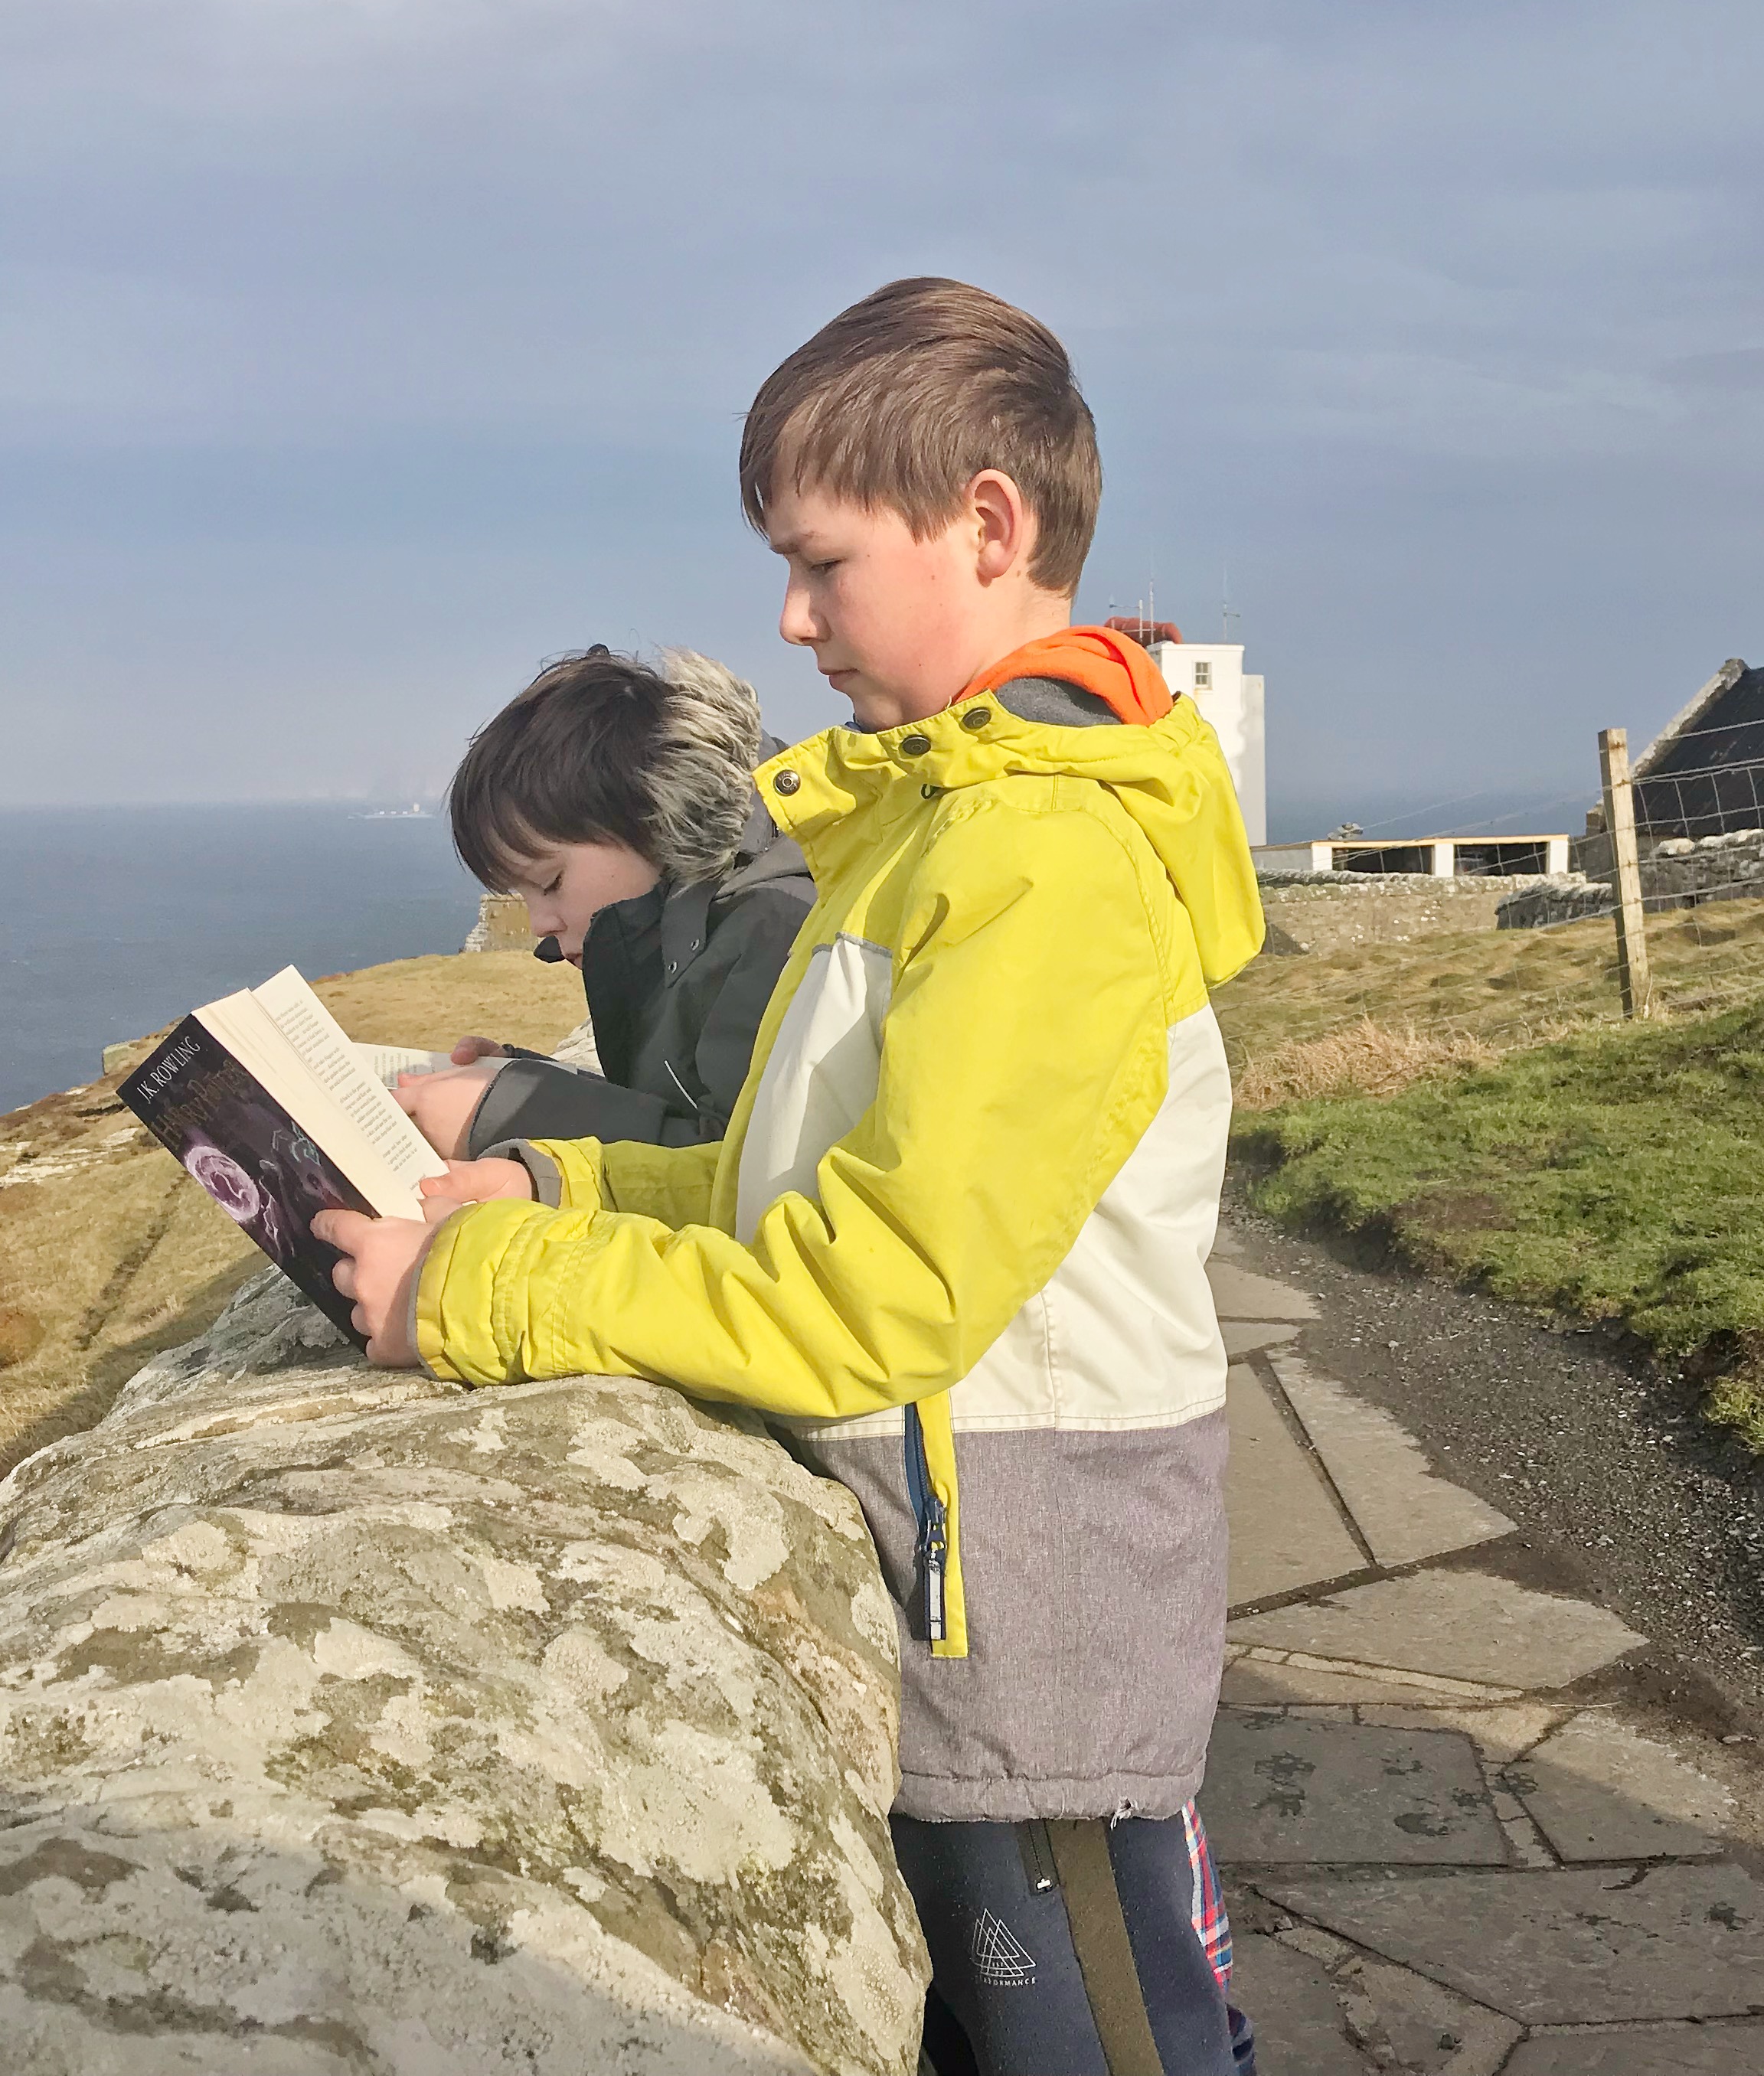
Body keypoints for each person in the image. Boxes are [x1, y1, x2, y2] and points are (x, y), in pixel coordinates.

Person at [318, 277, 1265, 2075]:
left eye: (822, 561)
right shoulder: (945, 824)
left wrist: (484, 1297)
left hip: (1032, 1605)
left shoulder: (1040, 859)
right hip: (971, 1565)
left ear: (987, 523)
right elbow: (796, 1184)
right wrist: (554, 1200)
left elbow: (869, 1295)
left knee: (1115, 2043)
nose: (789, 613)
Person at [393, 645, 815, 1163]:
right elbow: (673, 1106)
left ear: (654, 813)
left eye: (550, 883)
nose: (539, 924)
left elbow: (733, 1174)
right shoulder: (686, 921)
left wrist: (504, 1114)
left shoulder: (776, 928)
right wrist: (522, 1081)